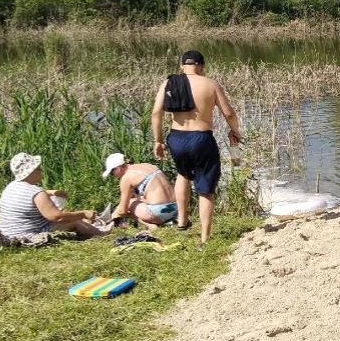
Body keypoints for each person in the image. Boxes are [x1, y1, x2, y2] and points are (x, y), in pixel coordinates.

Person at [152, 50, 242, 244]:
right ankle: (204, 239)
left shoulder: (169, 83)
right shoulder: (210, 84)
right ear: (201, 66)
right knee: (205, 188)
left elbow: (156, 113)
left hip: (176, 138)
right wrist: (235, 131)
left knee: (183, 174)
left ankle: (182, 221)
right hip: (201, 138)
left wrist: (158, 140)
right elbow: (229, 113)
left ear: (181, 65)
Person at [0, 152, 105, 243]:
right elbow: (57, 217)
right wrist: (83, 213)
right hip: (28, 235)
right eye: (39, 168)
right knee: (74, 221)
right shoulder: (36, 193)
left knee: (70, 214)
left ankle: (92, 227)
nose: (41, 170)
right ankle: (103, 234)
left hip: (9, 234)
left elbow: (27, 196)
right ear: (32, 171)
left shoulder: (10, 187)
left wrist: (51, 192)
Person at [103, 152, 179, 227]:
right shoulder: (148, 165)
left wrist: (114, 215)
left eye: (112, 173)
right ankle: (170, 220)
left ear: (118, 169)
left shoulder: (126, 178)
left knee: (129, 203)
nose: (114, 176)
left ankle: (150, 225)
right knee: (138, 199)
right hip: (176, 208)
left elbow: (123, 211)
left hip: (159, 213)